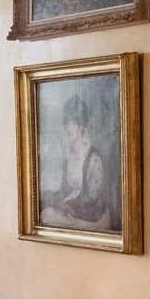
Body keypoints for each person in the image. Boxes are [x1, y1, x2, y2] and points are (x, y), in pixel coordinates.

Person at [51, 92, 113, 228]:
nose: (67, 128)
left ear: (81, 126)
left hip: (92, 217)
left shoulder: (93, 158)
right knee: (46, 214)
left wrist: (69, 206)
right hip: (73, 211)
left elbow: (92, 198)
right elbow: (64, 189)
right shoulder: (68, 155)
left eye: (72, 123)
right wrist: (56, 201)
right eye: (66, 123)